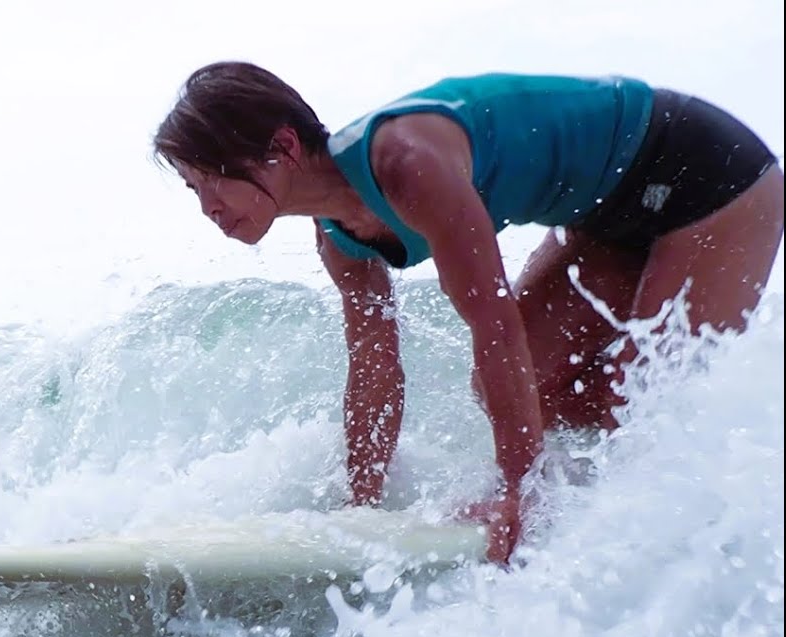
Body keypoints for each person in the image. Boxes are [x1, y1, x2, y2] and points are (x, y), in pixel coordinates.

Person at [152, 62, 784, 563]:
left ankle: (728, 516)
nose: (207, 204)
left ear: (283, 146)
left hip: (706, 172)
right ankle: (594, 513)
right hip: (608, 217)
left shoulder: (404, 163)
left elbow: (494, 323)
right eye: (191, 188)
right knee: (533, 392)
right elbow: (375, 372)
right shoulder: (339, 238)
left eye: (215, 179)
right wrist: (360, 507)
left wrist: (516, 493)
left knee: (645, 399)